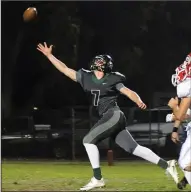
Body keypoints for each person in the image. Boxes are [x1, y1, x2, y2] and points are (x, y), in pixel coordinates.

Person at [37, 42, 178, 191]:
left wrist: (138, 100)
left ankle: (97, 178)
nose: (99, 68)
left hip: (113, 115)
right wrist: (49, 55)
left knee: (88, 140)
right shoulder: (85, 76)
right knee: (133, 148)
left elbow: (128, 92)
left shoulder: (112, 79)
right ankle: (167, 165)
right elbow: (65, 69)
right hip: (112, 117)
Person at [168, 52, 191, 189]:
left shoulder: (188, 86)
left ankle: (185, 181)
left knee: (184, 162)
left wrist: (174, 106)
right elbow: (185, 114)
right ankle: (185, 181)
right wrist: (175, 129)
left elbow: (181, 115)